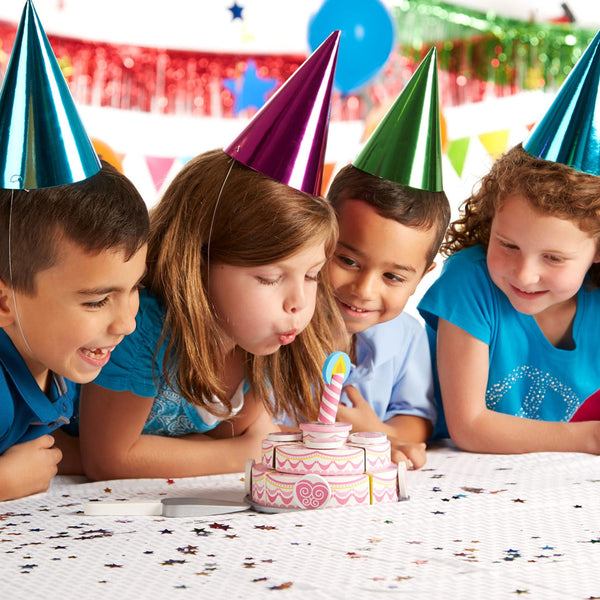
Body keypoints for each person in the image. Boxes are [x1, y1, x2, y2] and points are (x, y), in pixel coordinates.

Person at [78, 32, 345, 480]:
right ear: (197, 261)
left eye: (313, 275)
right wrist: (242, 452)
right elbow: (110, 459)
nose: (298, 302)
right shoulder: (141, 326)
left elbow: (244, 435)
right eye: (268, 278)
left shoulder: (257, 337)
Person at [418, 31, 600, 455]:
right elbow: (469, 425)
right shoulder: (470, 282)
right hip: (461, 479)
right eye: (509, 245)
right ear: (490, 217)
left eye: (553, 257)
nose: (524, 273)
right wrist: (590, 437)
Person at [325, 47, 450, 469]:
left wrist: (377, 433)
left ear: (422, 277)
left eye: (394, 278)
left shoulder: (407, 338)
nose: (364, 290)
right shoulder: (283, 325)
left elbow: (415, 418)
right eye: (348, 260)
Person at [0, 162, 149, 500]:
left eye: (135, 288)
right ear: (4, 304)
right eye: (97, 301)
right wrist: (5, 481)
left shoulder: (51, 357)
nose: (127, 324)